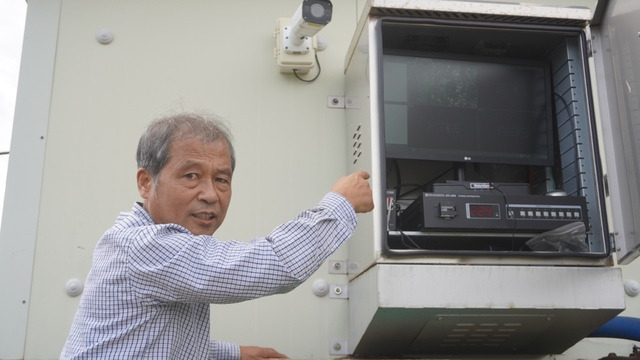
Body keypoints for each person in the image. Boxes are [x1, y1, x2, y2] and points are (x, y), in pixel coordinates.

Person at [60, 111, 374, 359]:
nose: (211, 194)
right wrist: (340, 204)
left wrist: (232, 353)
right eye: (191, 175)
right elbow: (273, 265)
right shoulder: (143, 246)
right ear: (146, 182)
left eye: (221, 179)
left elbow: (149, 340)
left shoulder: (146, 243)